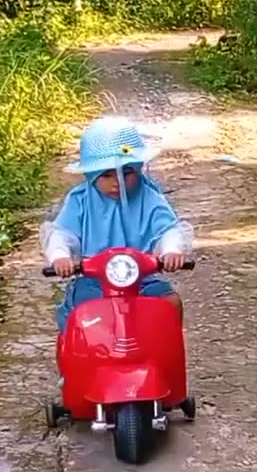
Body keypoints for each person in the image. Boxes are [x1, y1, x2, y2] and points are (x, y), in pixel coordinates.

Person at [41, 116, 193, 334]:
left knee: (170, 303)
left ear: (139, 169)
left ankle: (166, 356)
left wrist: (171, 251)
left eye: (127, 172)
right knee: (81, 315)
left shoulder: (148, 196)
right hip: (94, 279)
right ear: (92, 175)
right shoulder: (81, 199)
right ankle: (79, 363)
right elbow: (63, 233)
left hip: (140, 277)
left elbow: (167, 229)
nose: (117, 182)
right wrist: (60, 256)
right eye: (106, 175)